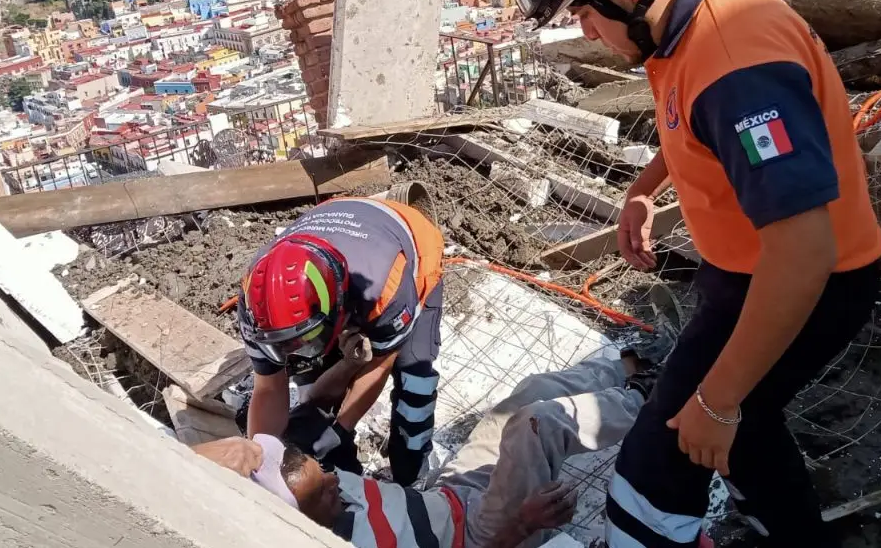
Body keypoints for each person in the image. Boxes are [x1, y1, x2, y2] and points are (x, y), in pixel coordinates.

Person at [502, 0, 881, 546]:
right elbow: (702, 127)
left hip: (801, 287)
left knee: (663, 462)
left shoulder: (737, 64)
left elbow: (804, 248)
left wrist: (716, 403)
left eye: (583, 14)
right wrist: (644, 189)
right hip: (754, 276)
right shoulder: (689, 26)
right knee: (750, 433)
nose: (584, 33)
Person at [209, 355, 659, 548]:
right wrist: (524, 522)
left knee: (532, 393)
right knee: (535, 425)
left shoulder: (302, 479)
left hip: (451, 494)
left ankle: (631, 363)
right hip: (486, 534)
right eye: (325, 494)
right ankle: (655, 399)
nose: (334, 480)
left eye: (323, 473)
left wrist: (360, 356)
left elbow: (310, 410)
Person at [228, 196, 446, 487]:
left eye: (307, 340)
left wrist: (339, 429)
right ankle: (342, 471)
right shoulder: (256, 304)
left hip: (407, 241)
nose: (297, 351)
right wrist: (260, 459)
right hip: (336, 224)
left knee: (413, 380)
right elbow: (268, 387)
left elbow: (379, 366)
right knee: (314, 384)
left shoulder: (386, 288)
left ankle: (412, 475)